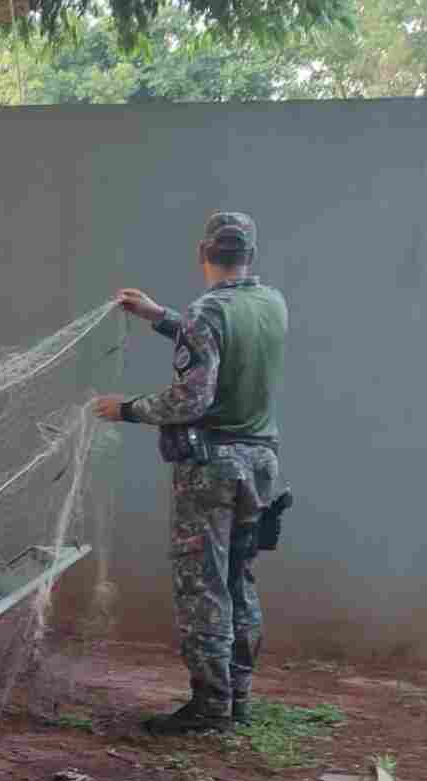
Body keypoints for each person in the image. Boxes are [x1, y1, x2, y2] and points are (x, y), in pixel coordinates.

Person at [90, 211, 287, 736]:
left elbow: (191, 397)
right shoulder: (272, 303)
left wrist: (127, 409)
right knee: (238, 578)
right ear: (251, 254)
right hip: (261, 464)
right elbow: (218, 339)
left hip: (213, 469)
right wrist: (160, 317)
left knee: (202, 587)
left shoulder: (207, 311)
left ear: (203, 253)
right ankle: (237, 695)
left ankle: (210, 708)